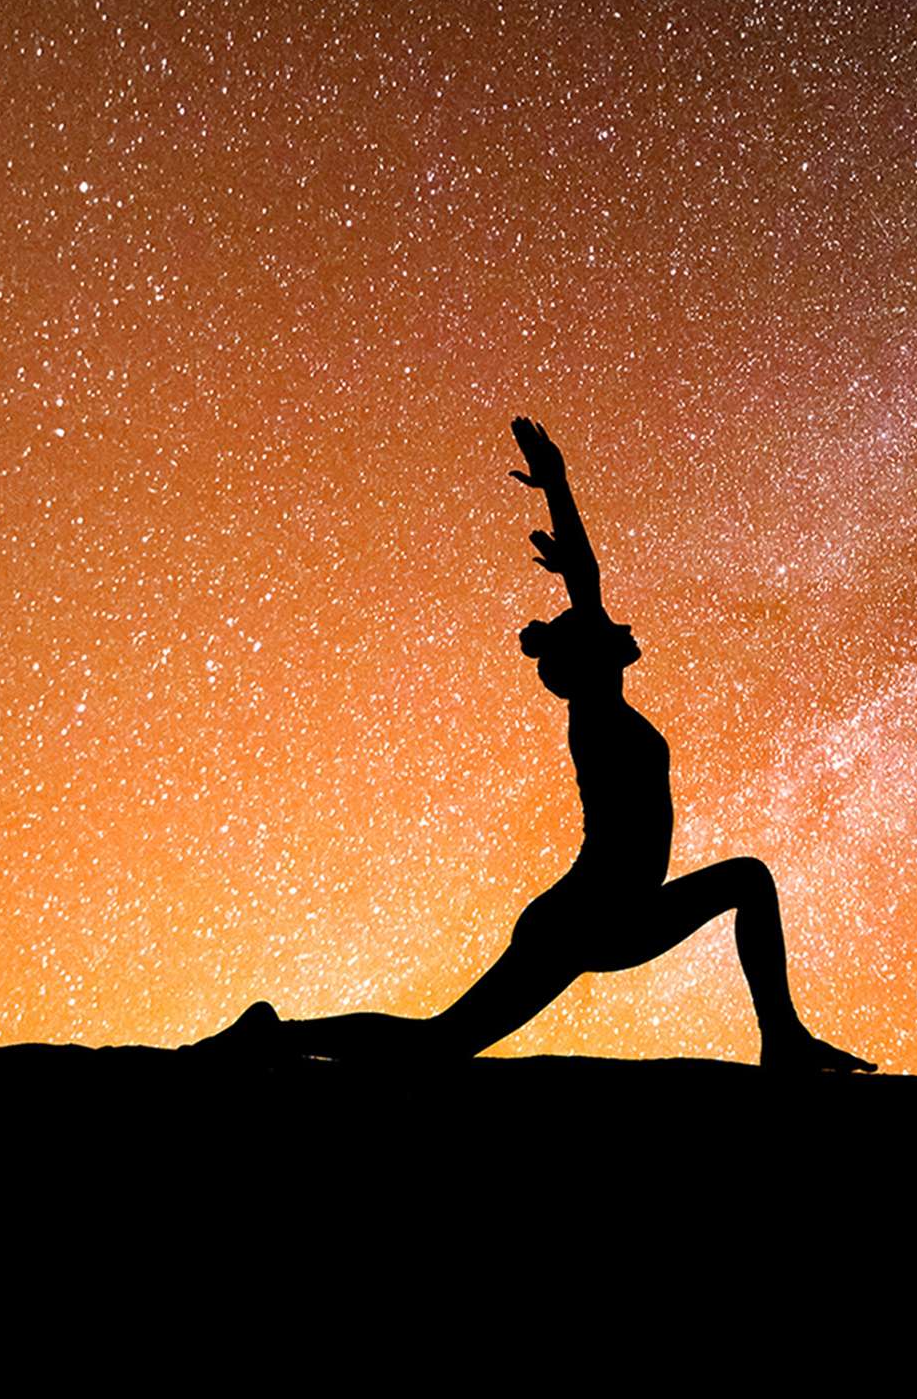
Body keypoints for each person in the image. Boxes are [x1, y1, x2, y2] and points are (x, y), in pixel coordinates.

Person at [206, 420, 875, 1074]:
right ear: (588, 659)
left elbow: (589, 586)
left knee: (748, 882)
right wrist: (557, 485)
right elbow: (588, 577)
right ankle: (273, 1034)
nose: (609, 620)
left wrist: (561, 502)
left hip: (621, 913)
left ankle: (783, 1037)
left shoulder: (605, 704)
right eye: (589, 623)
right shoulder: (597, 708)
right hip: (583, 916)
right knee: (441, 1044)